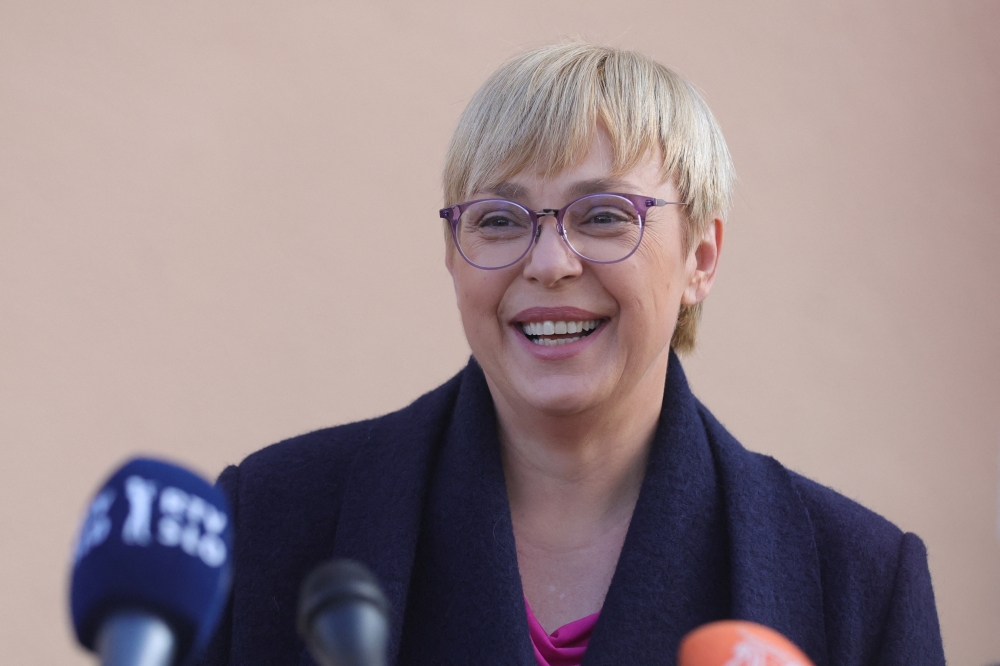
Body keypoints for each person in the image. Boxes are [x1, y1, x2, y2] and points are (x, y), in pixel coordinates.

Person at [196, 43, 945, 666]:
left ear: (701, 259)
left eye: (604, 215)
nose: (549, 261)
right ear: (453, 258)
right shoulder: (268, 519)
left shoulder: (861, 583)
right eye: (498, 219)